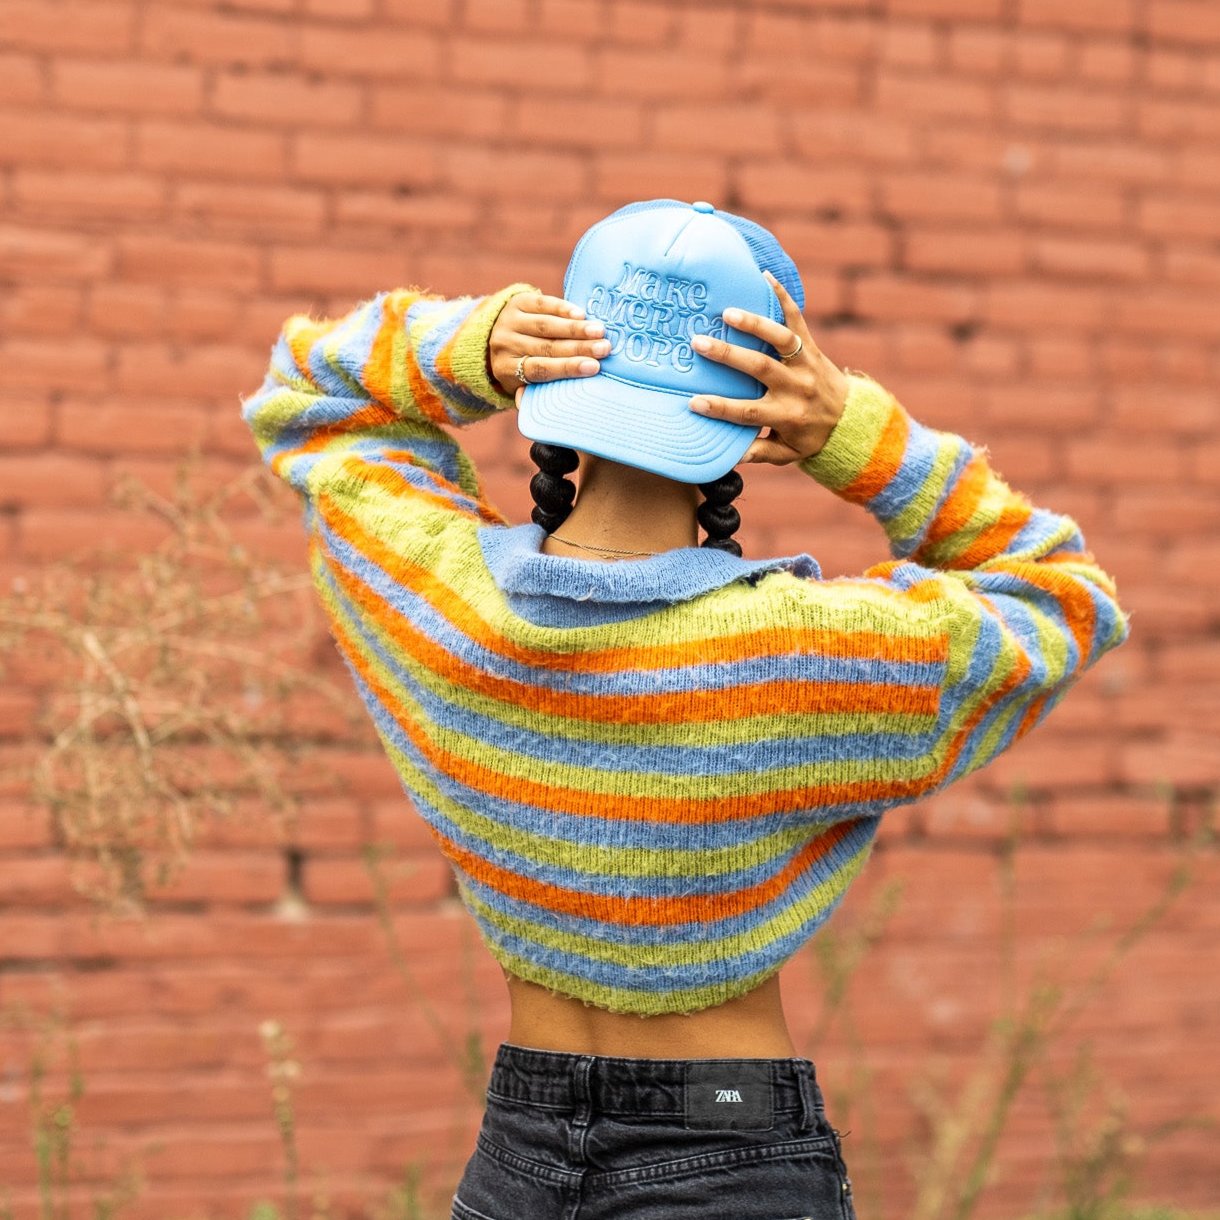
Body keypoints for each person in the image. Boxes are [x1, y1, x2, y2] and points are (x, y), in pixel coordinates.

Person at [242, 200, 1128, 1220]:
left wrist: (465, 347)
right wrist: (855, 434)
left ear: (555, 373)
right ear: (755, 410)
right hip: (729, 1157)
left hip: (513, 1162)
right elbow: (1062, 592)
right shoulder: (801, 651)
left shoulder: (437, 602)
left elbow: (308, 395)